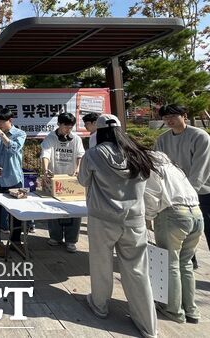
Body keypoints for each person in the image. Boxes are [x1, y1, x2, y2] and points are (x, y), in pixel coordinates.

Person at [78, 114, 157, 338]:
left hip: (103, 218)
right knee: (137, 270)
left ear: (99, 132)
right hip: (134, 219)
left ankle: (100, 305)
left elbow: (83, 180)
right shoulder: (139, 153)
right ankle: (147, 324)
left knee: (101, 263)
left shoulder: (93, 154)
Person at [155, 104, 210, 299]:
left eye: (174, 116)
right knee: (181, 232)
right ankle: (189, 262)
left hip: (206, 192)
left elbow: (200, 170)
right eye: (166, 117)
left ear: (184, 116)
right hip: (178, 194)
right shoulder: (162, 140)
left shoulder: (200, 136)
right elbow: (158, 165)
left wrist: (187, 194)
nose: (169, 120)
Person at [144, 151, 202, 324]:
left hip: (173, 215)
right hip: (197, 213)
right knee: (186, 263)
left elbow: (151, 198)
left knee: (171, 263)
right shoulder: (176, 169)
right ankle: (191, 309)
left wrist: (148, 217)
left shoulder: (152, 170)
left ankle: (174, 309)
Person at [0, 108, 26, 258]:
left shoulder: (20, 134)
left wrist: (1, 135)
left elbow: (13, 149)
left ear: (10, 120)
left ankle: (16, 240)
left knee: (16, 212)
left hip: (13, 179)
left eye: (2, 121)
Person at [40, 112, 85, 253]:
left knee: (75, 209)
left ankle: (71, 240)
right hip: (55, 178)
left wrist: (78, 169)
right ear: (59, 124)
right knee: (53, 208)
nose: (68, 130)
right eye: (66, 126)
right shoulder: (51, 138)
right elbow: (45, 154)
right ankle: (55, 236)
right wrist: (46, 170)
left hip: (72, 179)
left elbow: (80, 155)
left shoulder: (76, 138)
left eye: (71, 127)